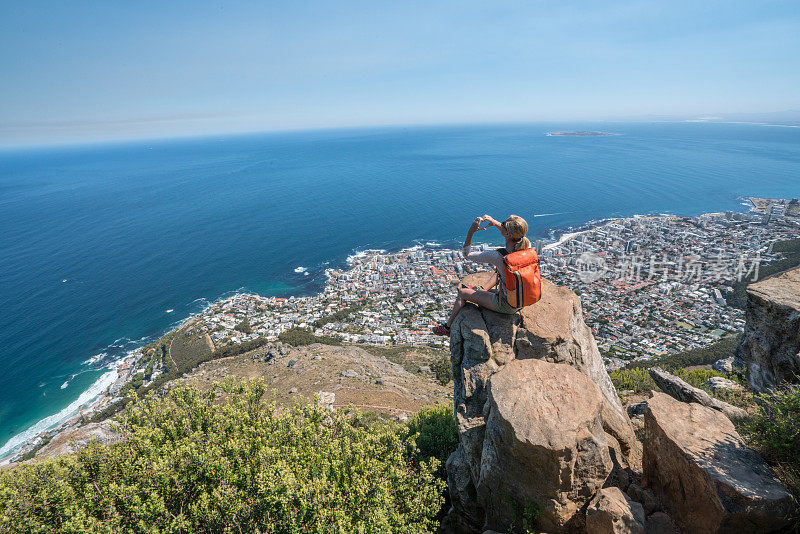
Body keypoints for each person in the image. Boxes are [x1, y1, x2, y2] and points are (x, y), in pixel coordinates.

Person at [432, 214, 531, 336]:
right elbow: (510, 234)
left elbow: (467, 254)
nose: (501, 224)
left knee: (462, 293)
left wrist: (471, 231)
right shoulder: (526, 246)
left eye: (503, 224)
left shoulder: (498, 256)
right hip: (522, 299)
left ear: (508, 234)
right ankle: (482, 290)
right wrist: (493, 222)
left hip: (507, 305)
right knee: (501, 271)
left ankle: (447, 328)